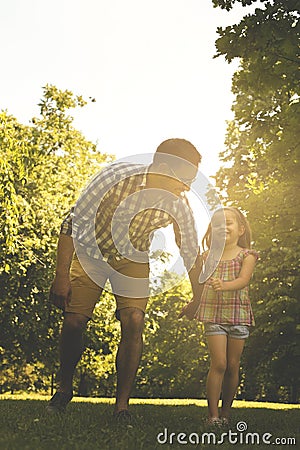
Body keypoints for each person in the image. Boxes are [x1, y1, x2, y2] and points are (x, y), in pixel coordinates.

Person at [46, 138, 203, 422]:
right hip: (90, 250)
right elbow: (71, 223)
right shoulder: (115, 178)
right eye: (185, 179)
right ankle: (64, 387)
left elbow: (191, 250)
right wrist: (61, 277)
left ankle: (121, 407)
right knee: (73, 322)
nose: (188, 187)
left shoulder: (179, 205)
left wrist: (198, 297)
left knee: (134, 320)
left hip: (132, 257)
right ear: (165, 168)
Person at [180, 207, 258, 425]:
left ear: (241, 229)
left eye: (229, 223)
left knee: (233, 365)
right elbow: (201, 286)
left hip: (238, 315)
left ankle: (226, 414)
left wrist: (223, 285)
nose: (223, 227)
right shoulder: (207, 257)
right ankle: (213, 416)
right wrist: (193, 304)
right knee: (219, 363)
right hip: (213, 315)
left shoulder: (247, 255)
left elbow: (243, 280)